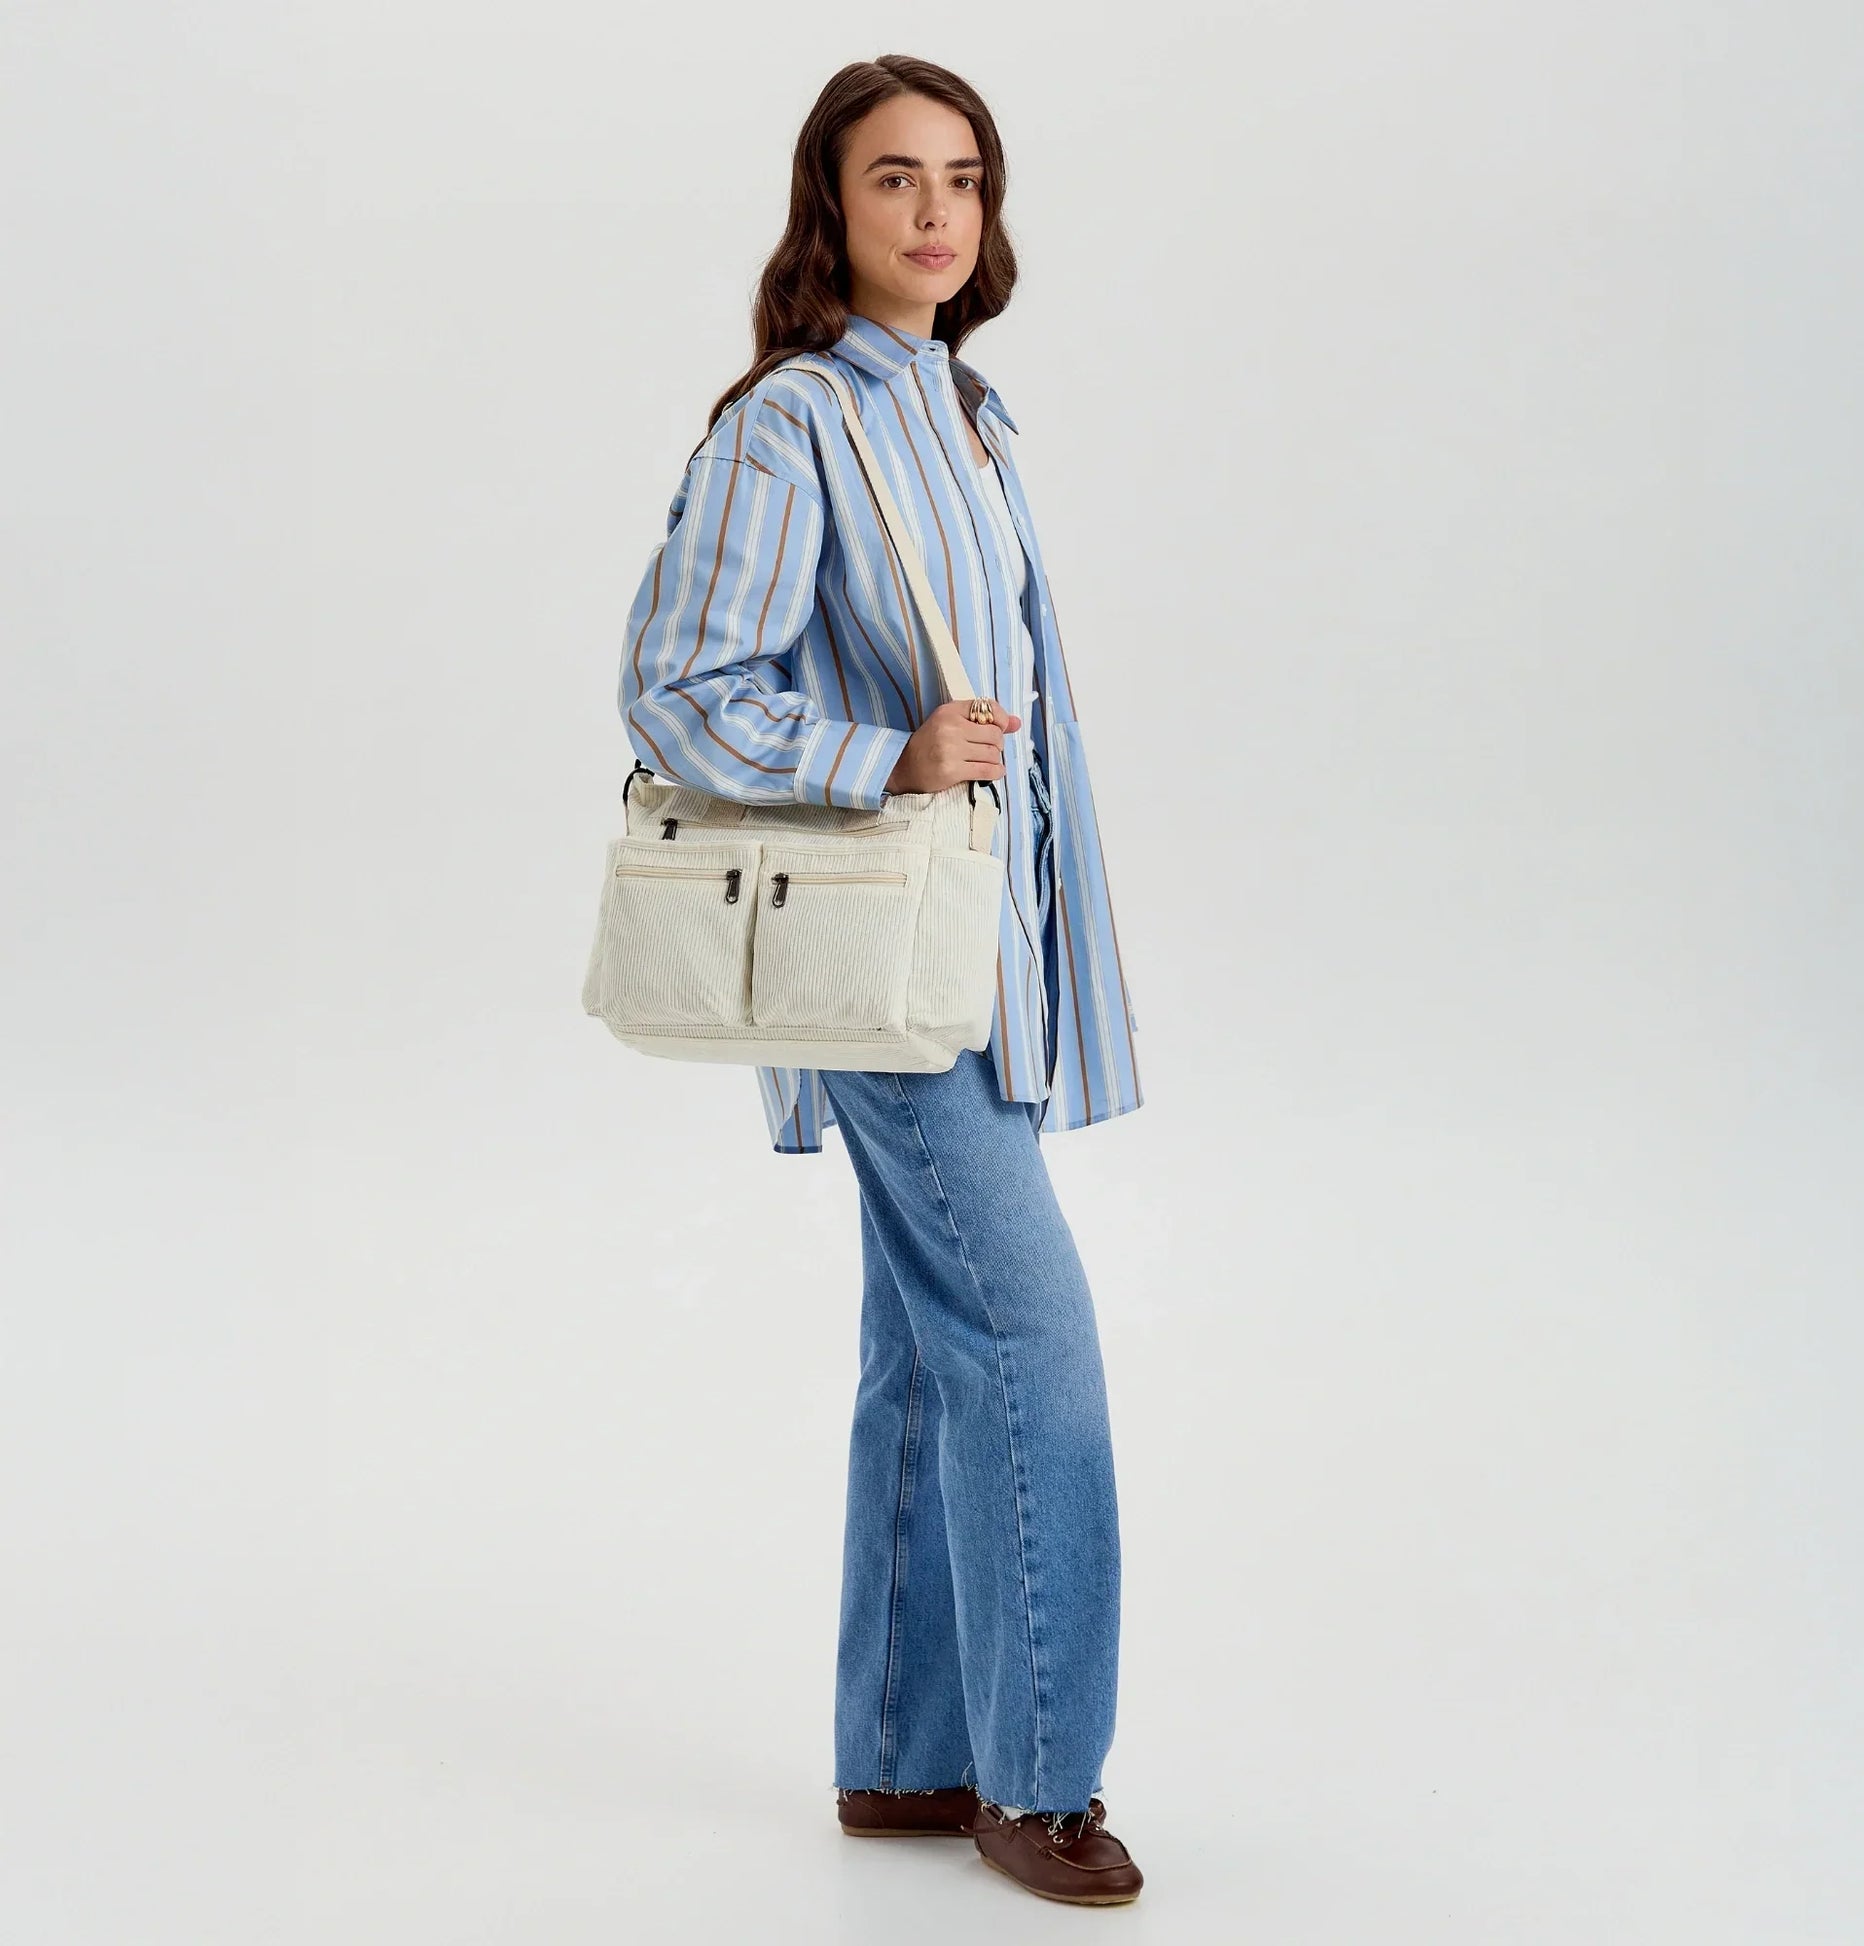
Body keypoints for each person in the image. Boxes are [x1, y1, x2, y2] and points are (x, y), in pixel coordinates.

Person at [615, 54, 1145, 1907]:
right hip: (887, 966)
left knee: (928, 1351)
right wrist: (883, 755)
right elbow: (678, 688)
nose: (934, 210)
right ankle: (1042, 1778)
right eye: (894, 177)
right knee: (1029, 1341)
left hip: (978, 959)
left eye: (964, 177)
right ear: (827, 208)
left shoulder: (967, 414)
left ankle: (909, 1760)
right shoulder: (793, 425)